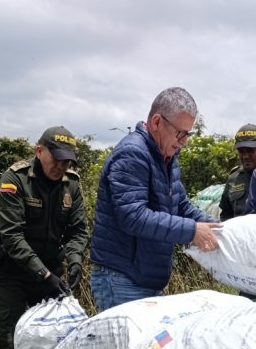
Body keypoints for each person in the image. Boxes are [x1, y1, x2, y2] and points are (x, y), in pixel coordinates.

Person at [0, 126, 89, 349]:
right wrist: (44, 273)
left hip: (51, 273)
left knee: (56, 338)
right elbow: (11, 236)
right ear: (39, 151)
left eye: (67, 161)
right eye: (56, 159)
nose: (61, 166)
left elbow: (78, 231)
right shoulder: (15, 179)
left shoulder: (72, 185)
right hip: (11, 272)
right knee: (7, 340)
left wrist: (74, 260)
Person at [90, 87, 220, 310]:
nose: (184, 141)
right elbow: (133, 216)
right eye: (180, 133)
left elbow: (180, 205)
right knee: (129, 347)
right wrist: (192, 231)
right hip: (122, 280)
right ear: (157, 122)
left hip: (145, 279)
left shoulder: (166, 156)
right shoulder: (133, 154)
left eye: (188, 134)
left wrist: (218, 228)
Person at [219, 123, 256, 221]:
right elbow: (226, 215)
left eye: (250, 150)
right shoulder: (234, 178)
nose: (245, 156)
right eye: (241, 151)